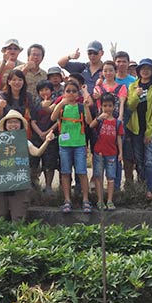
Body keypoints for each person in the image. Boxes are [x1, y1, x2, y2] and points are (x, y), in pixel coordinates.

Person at [0, 109, 56, 221]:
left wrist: (47, 141)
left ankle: (18, 236)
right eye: (10, 122)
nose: (13, 125)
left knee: (19, 216)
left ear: (20, 125)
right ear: (5, 125)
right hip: (0, 182)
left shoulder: (24, 141)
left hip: (19, 181)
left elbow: (37, 152)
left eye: (16, 122)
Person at [51, 80, 93, 213]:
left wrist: (86, 107)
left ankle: (86, 200)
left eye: (74, 91)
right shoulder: (62, 106)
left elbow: (89, 122)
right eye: (68, 91)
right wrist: (60, 104)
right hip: (64, 145)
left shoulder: (81, 107)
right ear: (64, 93)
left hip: (79, 144)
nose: (70, 93)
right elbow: (53, 118)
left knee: (82, 172)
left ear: (78, 93)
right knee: (65, 172)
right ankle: (67, 200)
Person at [126, 58, 152, 200]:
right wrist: (136, 95)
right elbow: (130, 106)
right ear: (138, 71)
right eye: (142, 68)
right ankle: (141, 188)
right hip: (136, 129)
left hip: (151, 130)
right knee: (139, 160)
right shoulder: (133, 86)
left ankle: (149, 190)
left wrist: (150, 132)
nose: (145, 71)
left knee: (149, 160)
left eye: (148, 68)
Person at [88, 93, 124, 210]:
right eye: (105, 106)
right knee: (98, 176)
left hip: (112, 153)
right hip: (99, 152)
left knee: (111, 177)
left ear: (114, 107)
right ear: (101, 107)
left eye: (109, 106)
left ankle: (109, 200)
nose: (107, 108)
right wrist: (99, 118)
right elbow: (91, 126)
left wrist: (120, 153)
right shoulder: (100, 120)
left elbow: (119, 138)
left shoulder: (117, 122)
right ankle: (100, 200)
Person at [31, 80, 60, 193]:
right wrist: (40, 133)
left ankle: (48, 186)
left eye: (47, 89)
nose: (44, 92)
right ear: (38, 92)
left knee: (50, 162)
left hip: (52, 136)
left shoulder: (57, 103)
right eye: (41, 90)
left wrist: (48, 132)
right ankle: (33, 184)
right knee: (34, 161)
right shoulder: (35, 104)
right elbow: (32, 121)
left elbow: (58, 121)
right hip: (36, 136)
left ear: (52, 91)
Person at [114, 51, 137, 188]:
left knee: (128, 155)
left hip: (130, 122)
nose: (121, 64)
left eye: (124, 61)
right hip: (112, 124)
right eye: (118, 61)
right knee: (114, 154)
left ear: (128, 63)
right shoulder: (109, 79)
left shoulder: (134, 82)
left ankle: (129, 184)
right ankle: (114, 185)